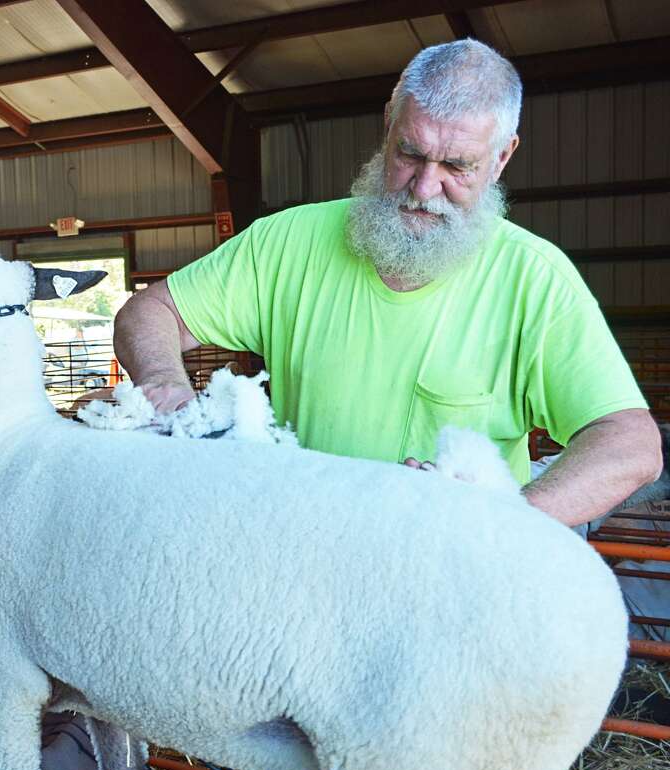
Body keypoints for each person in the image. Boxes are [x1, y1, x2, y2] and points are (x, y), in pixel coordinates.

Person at [114, 39, 662, 530]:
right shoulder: (284, 243)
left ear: (502, 158)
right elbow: (150, 311)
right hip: (304, 551)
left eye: (457, 165)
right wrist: (165, 386)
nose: (425, 186)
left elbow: (630, 442)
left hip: (450, 568)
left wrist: (505, 518)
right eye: (410, 153)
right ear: (388, 125)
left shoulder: (535, 280)